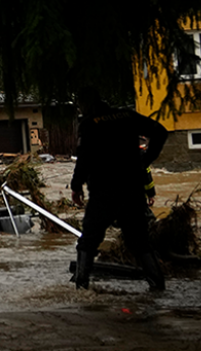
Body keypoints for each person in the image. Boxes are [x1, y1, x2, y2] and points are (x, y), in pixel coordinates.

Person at [70, 87, 169, 291]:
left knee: (88, 239)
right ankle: (158, 285)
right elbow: (160, 132)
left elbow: (84, 158)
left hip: (103, 192)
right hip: (132, 190)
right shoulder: (128, 116)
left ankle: (81, 286)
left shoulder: (89, 124)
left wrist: (76, 186)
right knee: (139, 240)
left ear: (87, 104)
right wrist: (146, 159)